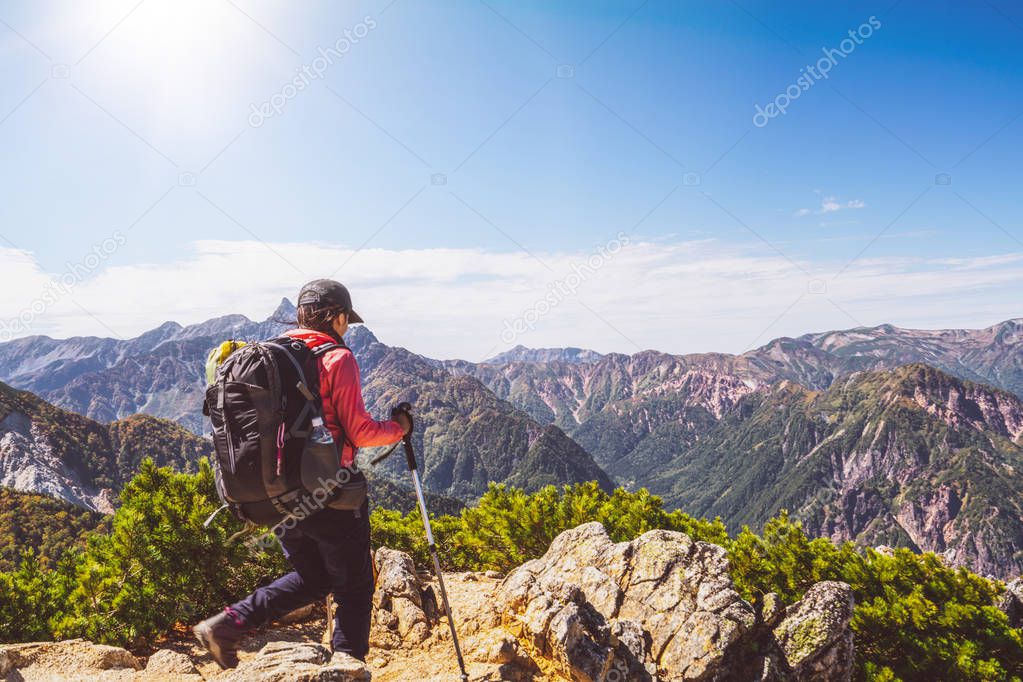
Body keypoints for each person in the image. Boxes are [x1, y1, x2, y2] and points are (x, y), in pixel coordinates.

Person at [194, 279, 410, 668]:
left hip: (280, 493)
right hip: (330, 493)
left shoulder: (277, 352)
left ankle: (227, 624)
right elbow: (360, 431)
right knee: (355, 587)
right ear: (336, 316)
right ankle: (347, 667)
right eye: (346, 320)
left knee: (314, 579)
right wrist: (399, 428)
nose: (347, 328)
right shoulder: (336, 358)